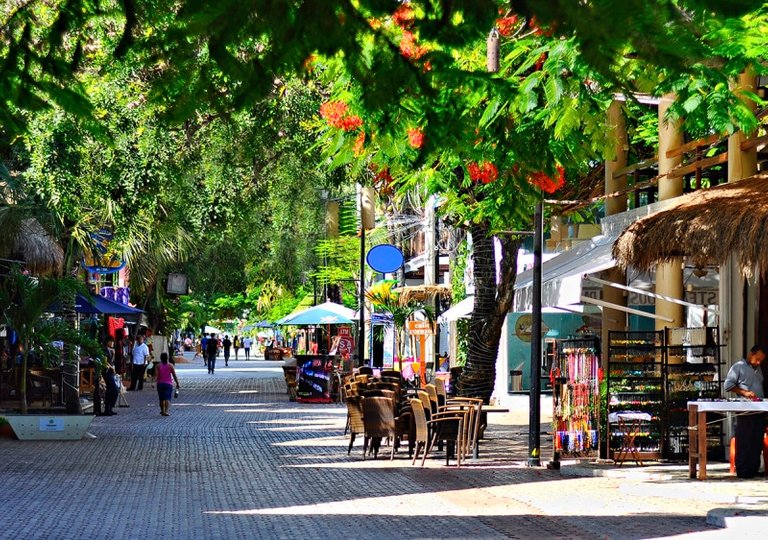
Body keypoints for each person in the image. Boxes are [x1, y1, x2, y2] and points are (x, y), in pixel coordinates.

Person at [724, 343, 767, 479]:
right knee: (744, 440)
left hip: (759, 409)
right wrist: (744, 392)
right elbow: (728, 385)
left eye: (761, 360)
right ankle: (743, 470)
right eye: (757, 359)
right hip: (745, 410)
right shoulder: (738, 367)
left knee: (756, 439)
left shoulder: (758, 369)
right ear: (751, 354)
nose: (759, 362)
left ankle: (753, 469)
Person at [155, 352, 180, 416]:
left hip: (160, 383)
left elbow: (156, 375)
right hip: (168, 384)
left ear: (161, 358)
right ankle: (166, 411)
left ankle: (162, 410)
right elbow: (174, 375)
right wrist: (177, 383)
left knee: (161, 398)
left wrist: (153, 382)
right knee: (167, 398)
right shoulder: (170, 365)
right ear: (167, 358)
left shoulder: (158, 366)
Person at [101, 339, 119, 416]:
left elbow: (111, 361)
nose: (112, 343)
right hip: (106, 371)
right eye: (110, 341)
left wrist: (113, 355)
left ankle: (109, 408)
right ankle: (109, 407)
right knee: (114, 389)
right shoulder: (105, 350)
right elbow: (105, 362)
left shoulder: (111, 350)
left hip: (110, 372)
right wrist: (111, 368)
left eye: (113, 342)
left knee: (110, 390)